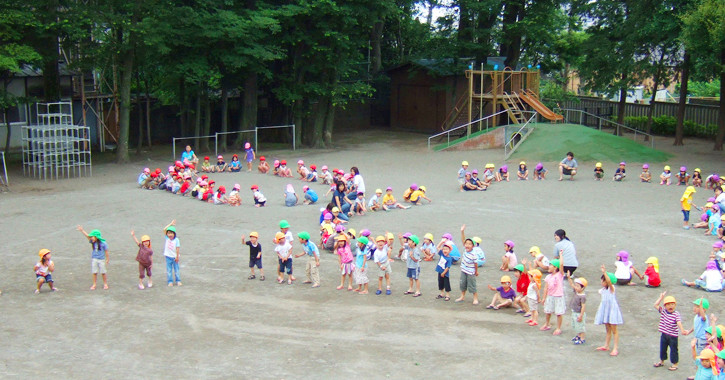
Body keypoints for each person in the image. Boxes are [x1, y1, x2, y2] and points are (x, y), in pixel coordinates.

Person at [653, 292, 691, 370]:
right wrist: (661, 298)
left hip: (673, 336)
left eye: (672, 304)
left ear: (675, 305)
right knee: (662, 348)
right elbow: (655, 305)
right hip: (664, 333)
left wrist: (682, 330)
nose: (671, 306)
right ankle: (662, 361)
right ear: (665, 306)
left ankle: (675, 364)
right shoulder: (663, 311)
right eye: (668, 304)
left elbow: (679, 322)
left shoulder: (676, 314)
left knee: (674, 350)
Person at [595, 266, 624, 357]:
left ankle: (615, 348)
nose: (601, 282)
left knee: (614, 330)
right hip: (606, 310)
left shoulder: (612, 289)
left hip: (611, 310)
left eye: (603, 280)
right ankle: (606, 345)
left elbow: (609, 282)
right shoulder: (603, 290)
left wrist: (605, 273)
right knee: (608, 329)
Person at [77, 225, 110, 290]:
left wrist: (107, 259)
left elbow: (106, 251)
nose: (91, 238)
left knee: (103, 272)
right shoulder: (93, 242)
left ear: (96, 237)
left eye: (92, 236)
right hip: (94, 258)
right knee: (94, 272)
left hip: (101, 259)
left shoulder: (103, 243)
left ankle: (105, 284)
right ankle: (94, 284)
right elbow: (87, 237)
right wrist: (82, 231)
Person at [541, 259, 566, 335]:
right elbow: (546, 288)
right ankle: (547, 324)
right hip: (550, 296)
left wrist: (561, 255)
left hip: (558, 296)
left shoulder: (559, 275)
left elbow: (561, 265)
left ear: (555, 267)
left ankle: (558, 328)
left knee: (559, 313)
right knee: (548, 311)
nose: (549, 266)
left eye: (550, 265)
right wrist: (544, 297)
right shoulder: (548, 276)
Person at [456, 227, 479, 305]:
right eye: (466, 244)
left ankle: (475, 298)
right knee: (462, 284)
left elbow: (476, 264)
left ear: (473, 246)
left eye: (469, 244)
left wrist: (476, 272)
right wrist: (462, 231)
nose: (467, 245)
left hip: (471, 272)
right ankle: (462, 296)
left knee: (472, 284)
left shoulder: (474, 254)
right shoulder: (466, 250)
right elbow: (463, 239)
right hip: (464, 270)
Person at [567, 275, 587, 345]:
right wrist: (569, 278)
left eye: (578, 286)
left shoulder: (582, 296)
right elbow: (571, 285)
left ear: (582, 288)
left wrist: (581, 315)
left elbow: (583, 306)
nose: (576, 287)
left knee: (581, 326)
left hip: (579, 313)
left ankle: (582, 338)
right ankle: (578, 336)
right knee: (576, 325)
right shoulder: (576, 292)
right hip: (574, 311)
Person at [163, 220, 181, 286]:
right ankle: (170, 281)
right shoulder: (167, 238)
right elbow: (164, 229)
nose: (170, 235)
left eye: (171, 233)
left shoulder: (176, 240)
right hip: (168, 257)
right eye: (168, 233)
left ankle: (178, 280)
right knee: (169, 270)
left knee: (177, 270)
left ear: (174, 234)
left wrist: (177, 257)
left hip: (174, 257)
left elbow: (177, 248)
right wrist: (170, 224)